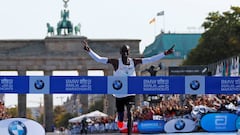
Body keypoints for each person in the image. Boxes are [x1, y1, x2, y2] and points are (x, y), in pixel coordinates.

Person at [81, 40, 174, 129]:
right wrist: (89, 51)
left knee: (130, 112)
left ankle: (130, 128)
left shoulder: (134, 61)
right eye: (123, 52)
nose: (125, 54)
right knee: (121, 114)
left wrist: (164, 53)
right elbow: (100, 59)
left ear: (129, 53)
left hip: (130, 91)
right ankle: (120, 121)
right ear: (120, 53)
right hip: (119, 93)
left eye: (127, 52)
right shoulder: (116, 62)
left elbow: (150, 59)